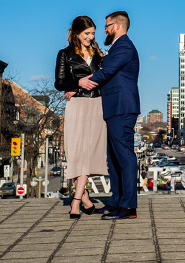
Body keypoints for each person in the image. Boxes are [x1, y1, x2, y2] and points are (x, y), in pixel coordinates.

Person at [79, 10, 140, 220]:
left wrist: (80, 84)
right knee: (114, 157)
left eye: (106, 26)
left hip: (122, 107)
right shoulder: (116, 47)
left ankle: (128, 206)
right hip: (114, 107)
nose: (104, 30)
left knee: (124, 155)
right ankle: (116, 201)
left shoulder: (124, 46)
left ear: (117, 26)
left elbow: (107, 72)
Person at [54, 15, 108, 219]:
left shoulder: (98, 54)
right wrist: (77, 84)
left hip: (97, 104)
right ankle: (82, 198)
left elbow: (105, 77)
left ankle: (76, 200)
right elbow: (59, 83)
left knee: (89, 153)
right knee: (77, 153)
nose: (91, 37)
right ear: (76, 33)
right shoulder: (64, 54)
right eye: (87, 33)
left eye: (93, 33)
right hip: (76, 106)